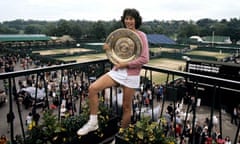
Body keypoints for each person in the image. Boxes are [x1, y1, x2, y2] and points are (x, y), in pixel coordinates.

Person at [77, 8, 149, 136]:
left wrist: (126, 64)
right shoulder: (120, 34)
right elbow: (117, 53)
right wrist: (108, 49)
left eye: (131, 18)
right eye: (126, 18)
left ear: (136, 20)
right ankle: (93, 122)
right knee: (93, 88)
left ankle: (120, 136)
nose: (129, 21)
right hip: (117, 72)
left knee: (126, 108)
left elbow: (145, 59)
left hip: (131, 75)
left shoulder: (141, 35)